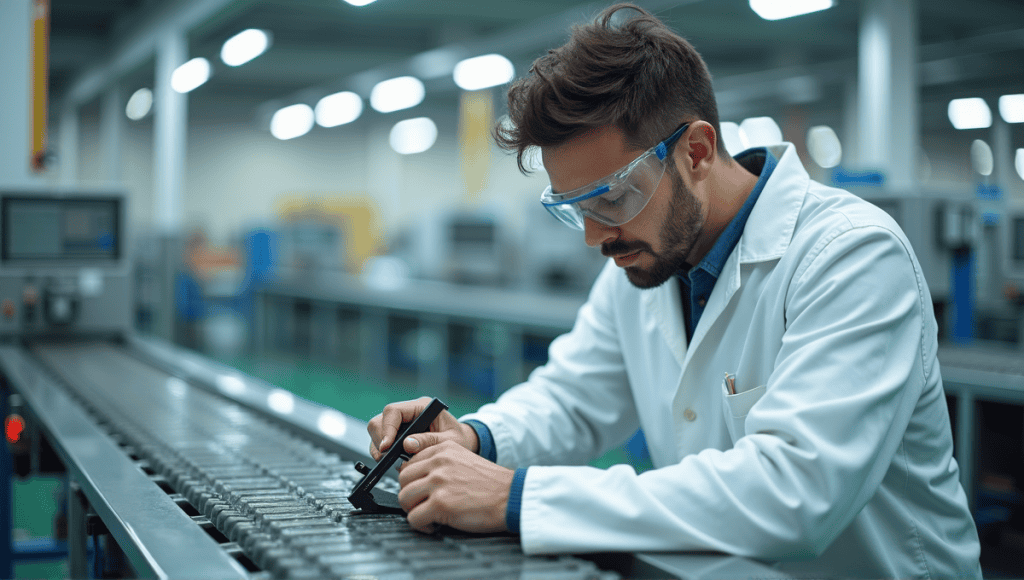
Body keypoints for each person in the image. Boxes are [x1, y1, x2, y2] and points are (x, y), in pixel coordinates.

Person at [367, 4, 982, 577]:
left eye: (611, 197)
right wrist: (474, 438)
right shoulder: (644, 261)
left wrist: (516, 497)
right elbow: (574, 400)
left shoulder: (850, 255)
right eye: (572, 208)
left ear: (696, 150)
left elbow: (795, 493)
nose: (593, 236)